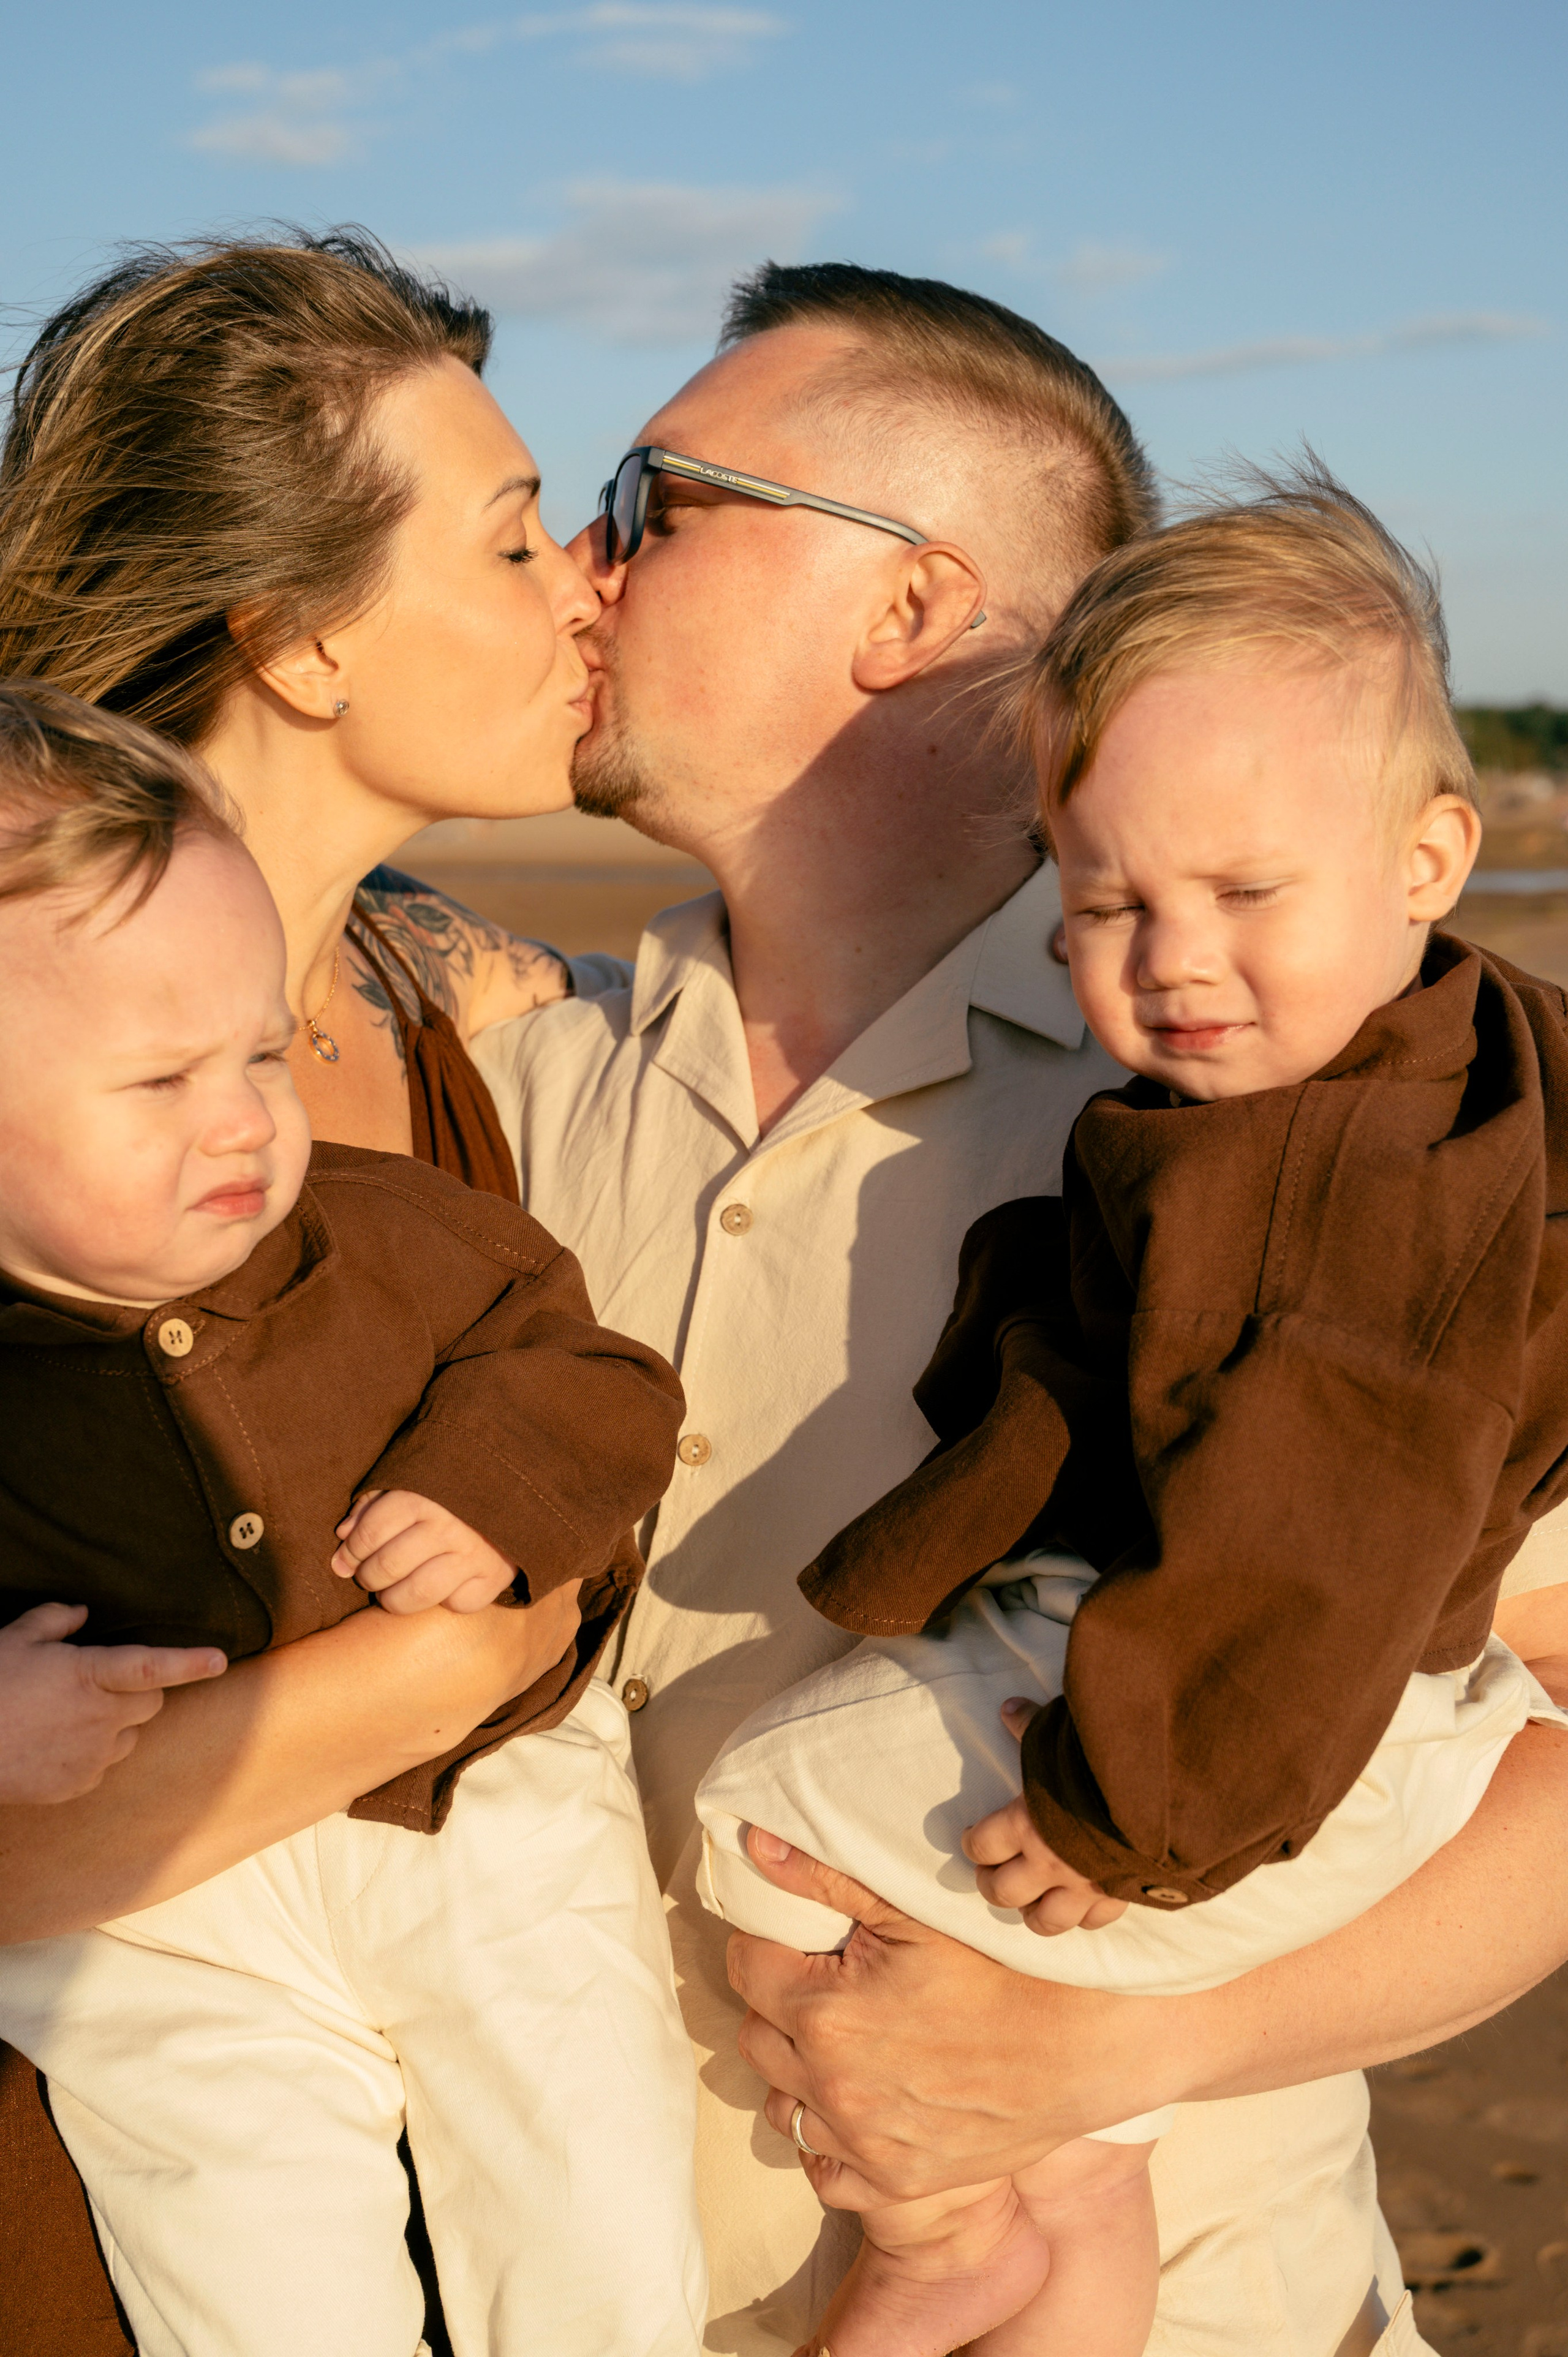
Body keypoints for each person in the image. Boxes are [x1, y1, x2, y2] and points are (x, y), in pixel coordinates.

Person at [472, 260, 1568, 2357]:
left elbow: (1539, 1743)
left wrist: (1112, 2062)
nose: (584, 568)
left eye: (655, 495)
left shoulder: (1263, 1114)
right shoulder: (502, 1080)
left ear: (904, 607)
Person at [0, 228, 636, 2354]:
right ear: (302, 643)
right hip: (101, 2203)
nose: (590, 592)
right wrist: (451, 1672)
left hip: (487, 2155)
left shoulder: (485, 1011)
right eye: (521, 541)